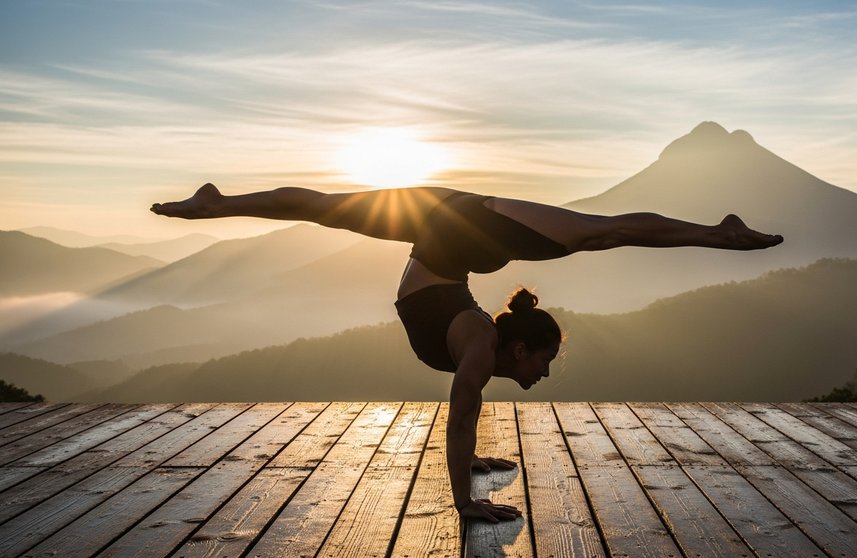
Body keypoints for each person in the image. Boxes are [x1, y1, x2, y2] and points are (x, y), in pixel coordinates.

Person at [151, 183, 783, 523]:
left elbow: (462, 417)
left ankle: (219, 203)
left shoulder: (479, 336)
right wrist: (464, 502)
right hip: (459, 226)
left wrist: (474, 460)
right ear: (519, 346)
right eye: (544, 361)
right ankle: (715, 233)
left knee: (325, 210)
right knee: (601, 231)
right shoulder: (480, 345)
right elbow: (457, 417)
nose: (543, 374)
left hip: (446, 227)